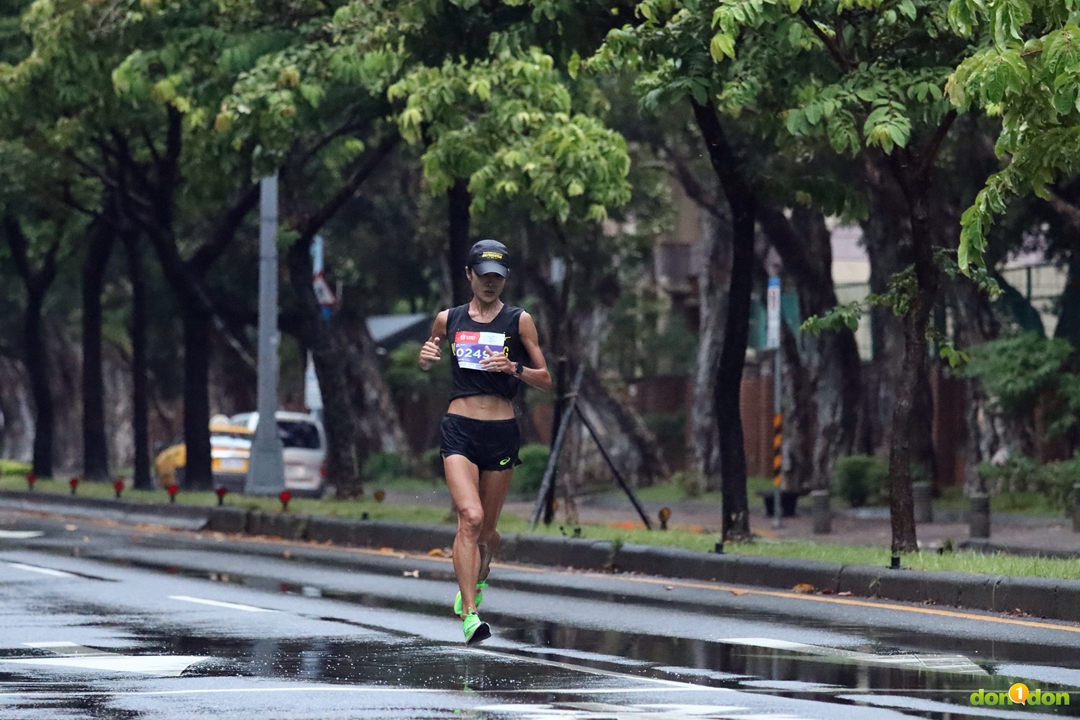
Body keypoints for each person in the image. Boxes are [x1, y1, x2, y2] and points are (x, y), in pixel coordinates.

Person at [418, 239, 552, 645]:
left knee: (488, 532)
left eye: (497, 278)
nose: (490, 284)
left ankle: (484, 562)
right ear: (469, 275)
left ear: (505, 280)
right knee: (470, 518)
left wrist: (514, 368)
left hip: (501, 431)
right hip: (459, 427)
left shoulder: (519, 320)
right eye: (483, 276)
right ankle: (471, 615)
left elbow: (546, 378)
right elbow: (430, 354)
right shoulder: (449, 319)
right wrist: (425, 358)